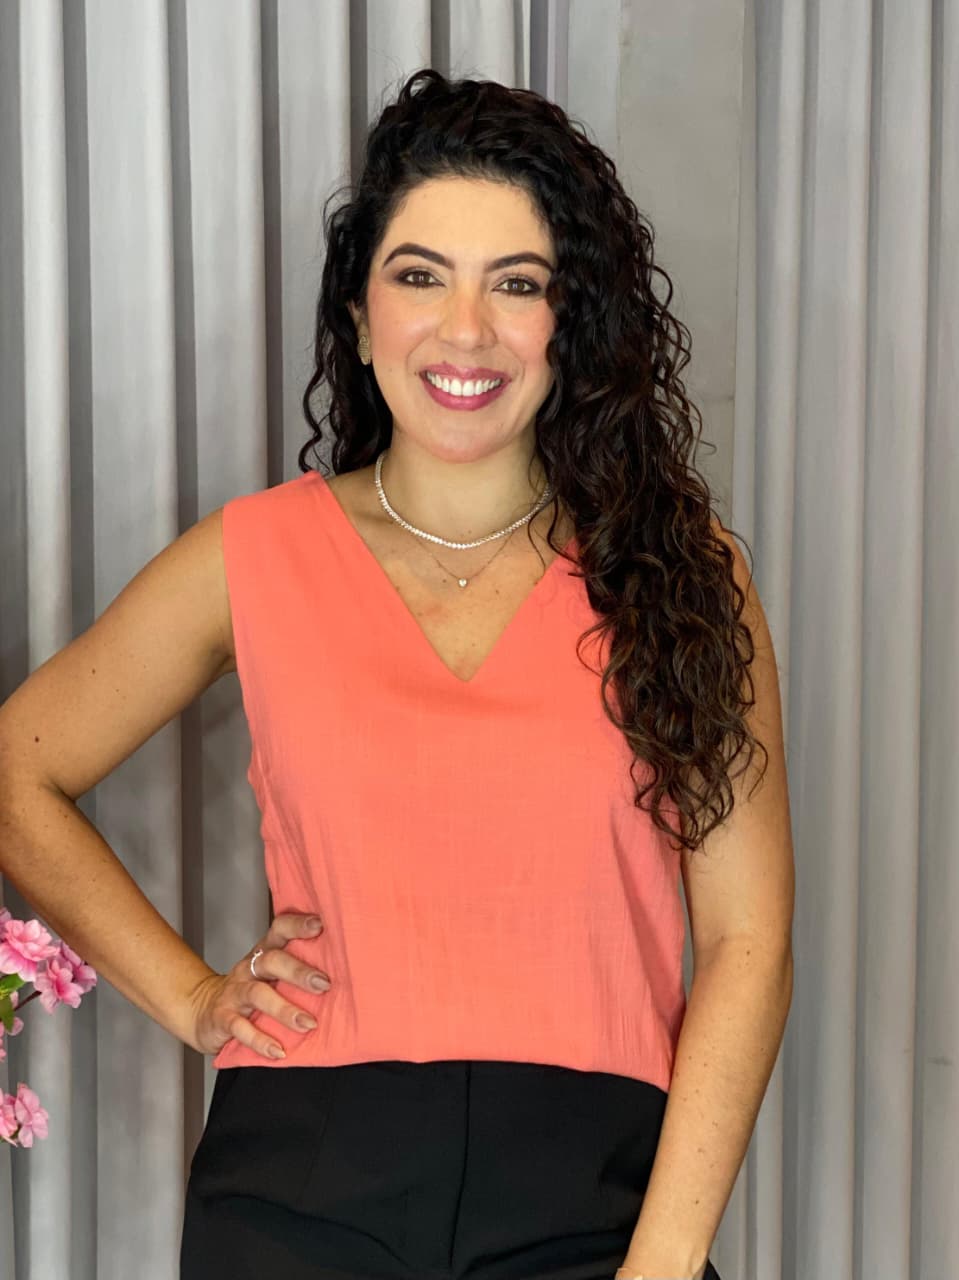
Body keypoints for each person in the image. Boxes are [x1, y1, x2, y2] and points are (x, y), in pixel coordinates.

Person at [0, 69, 794, 1280]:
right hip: (296, 1193)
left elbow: (746, 937)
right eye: (420, 275)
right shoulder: (255, 554)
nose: (463, 330)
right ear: (360, 314)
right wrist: (193, 995)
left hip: (597, 1199)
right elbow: (19, 769)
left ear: (569, 322)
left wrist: (666, 1255)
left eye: (514, 284)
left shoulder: (677, 570)